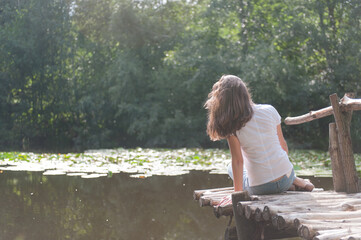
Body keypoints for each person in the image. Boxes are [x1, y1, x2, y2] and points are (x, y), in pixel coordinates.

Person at [204, 75, 314, 197]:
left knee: (230, 167)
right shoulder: (270, 110)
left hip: (260, 188)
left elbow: (238, 162)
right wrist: (281, 173)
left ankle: (290, 183)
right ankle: (294, 181)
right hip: (285, 178)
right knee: (277, 168)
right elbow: (283, 146)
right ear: (245, 93)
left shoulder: (232, 126)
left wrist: (237, 195)